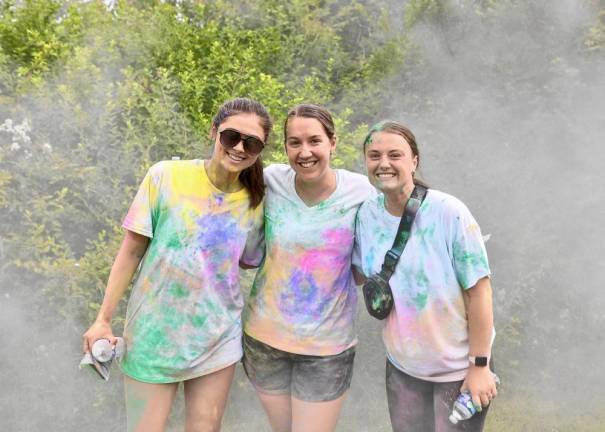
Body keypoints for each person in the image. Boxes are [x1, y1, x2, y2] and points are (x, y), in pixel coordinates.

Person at [82, 97, 272, 432]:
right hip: (153, 334)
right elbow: (131, 251)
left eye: (252, 143)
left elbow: (246, 261)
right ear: (213, 131)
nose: (240, 147)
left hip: (217, 337)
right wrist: (103, 319)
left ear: (260, 150)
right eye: (231, 137)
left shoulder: (256, 202)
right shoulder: (164, 176)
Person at [353, 121, 497, 431]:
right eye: (374, 155)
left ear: (414, 161)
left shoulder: (448, 212)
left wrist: (480, 366)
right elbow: (360, 275)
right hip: (403, 368)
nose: (384, 164)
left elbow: (480, 291)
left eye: (395, 155)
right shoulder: (367, 214)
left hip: (458, 370)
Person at [242, 104, 375, 432]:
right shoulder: (271, 179)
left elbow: (374, 254)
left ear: (333, 142)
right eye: (294, 143)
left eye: (314, 141)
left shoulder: (361, 192)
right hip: (264, 340)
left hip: (326, 348)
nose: (305, 152)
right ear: (284, 146)